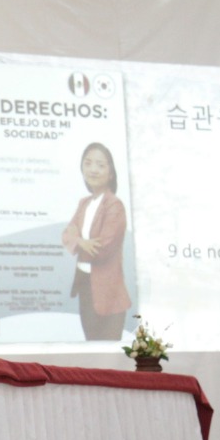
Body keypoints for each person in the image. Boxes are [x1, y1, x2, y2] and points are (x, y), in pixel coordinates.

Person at [60, 143, 131, 341]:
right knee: (91, 347)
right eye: (88, 163)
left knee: (106, 357)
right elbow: (67, 235)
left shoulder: (114, 205)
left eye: (100, 165)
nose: (93, 169)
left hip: (108, 293)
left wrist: (77, 240)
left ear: (111, 173)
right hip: (85, 285)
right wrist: (81, 242)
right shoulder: (84, 203)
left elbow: (102, 248)